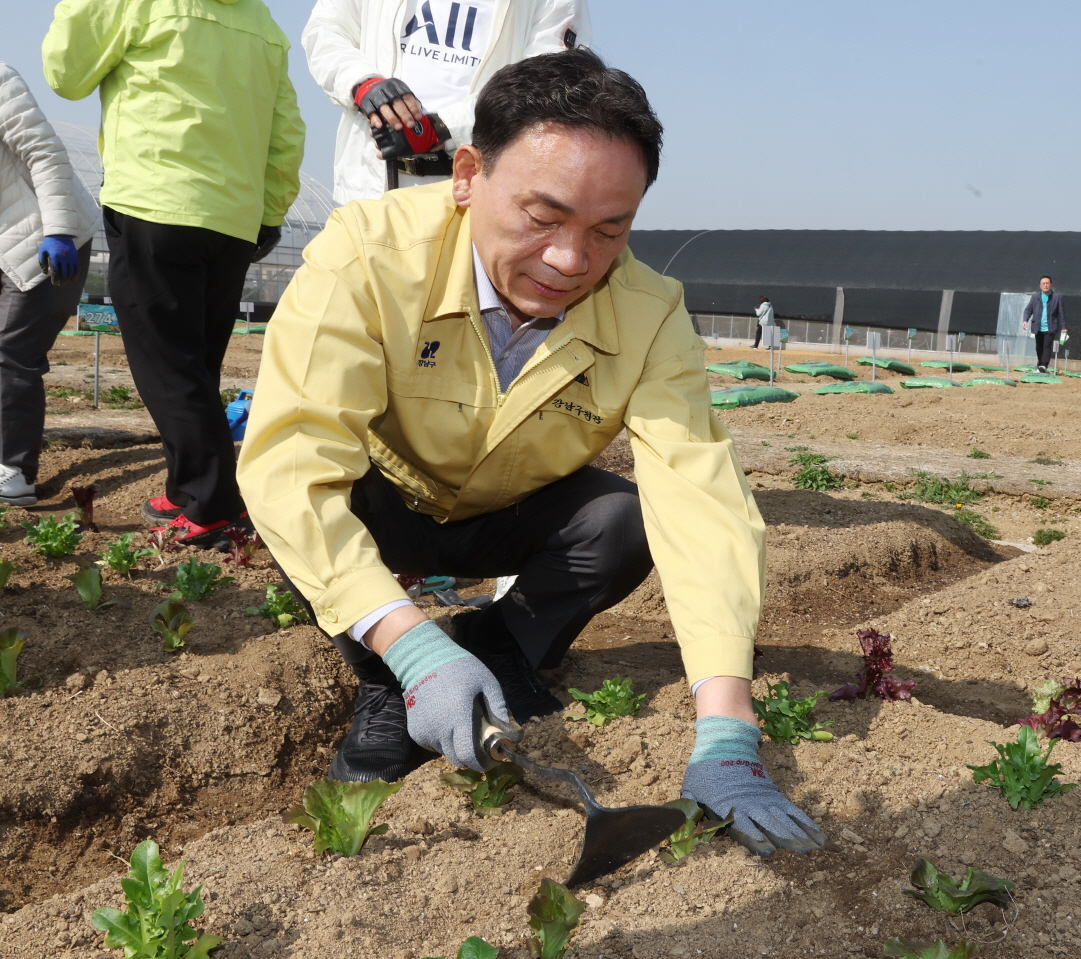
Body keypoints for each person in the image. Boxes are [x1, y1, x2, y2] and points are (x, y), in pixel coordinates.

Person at [238, 50, 825, 859]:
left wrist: (727, 726)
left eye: (608, 231)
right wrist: (411, 646)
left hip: (507, 516)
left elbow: (701, 499)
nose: (570, 261)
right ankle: (388, 680)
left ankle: (501, 647)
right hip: (387, 506)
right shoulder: (369, 254)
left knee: (622, 520)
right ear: (469, 174)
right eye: (543, 218)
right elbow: (292, 459)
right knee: (301, 503)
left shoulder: (650, 314)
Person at [44, 0, 305, 548]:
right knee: (197, 362)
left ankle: (212, 504)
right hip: (232, 219)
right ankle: (189, 486)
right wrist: (270, 211)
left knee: (168, 365)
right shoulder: (262, 23)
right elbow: (286, 132)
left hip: (157, 202)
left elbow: (65, 75)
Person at [303, 0, 592, 204]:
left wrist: (444, 129)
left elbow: (548, 77)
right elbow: (325, 32)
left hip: (479, 195)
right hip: (368, 190)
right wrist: (364, 82)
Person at [0, 63, 98, 506]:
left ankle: (13, 471)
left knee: (13, 352)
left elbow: (44, 152)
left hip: (45, 236)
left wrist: (57, 230)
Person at [1021, 276, 1068, 370]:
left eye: (1047, 283)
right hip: (1037, 327)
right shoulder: (1035, 297)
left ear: (1051, 285)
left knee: (1047, 346)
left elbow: (1061, 314)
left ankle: (1044, 365)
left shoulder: (1057, 297)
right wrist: (1025, 320)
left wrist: (1064, 327)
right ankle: (1040, 365)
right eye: (1043, 283)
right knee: (1039, 347)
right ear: (1040, 285)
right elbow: (1028, 310)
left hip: (1050, 327)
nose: (1045, 285)